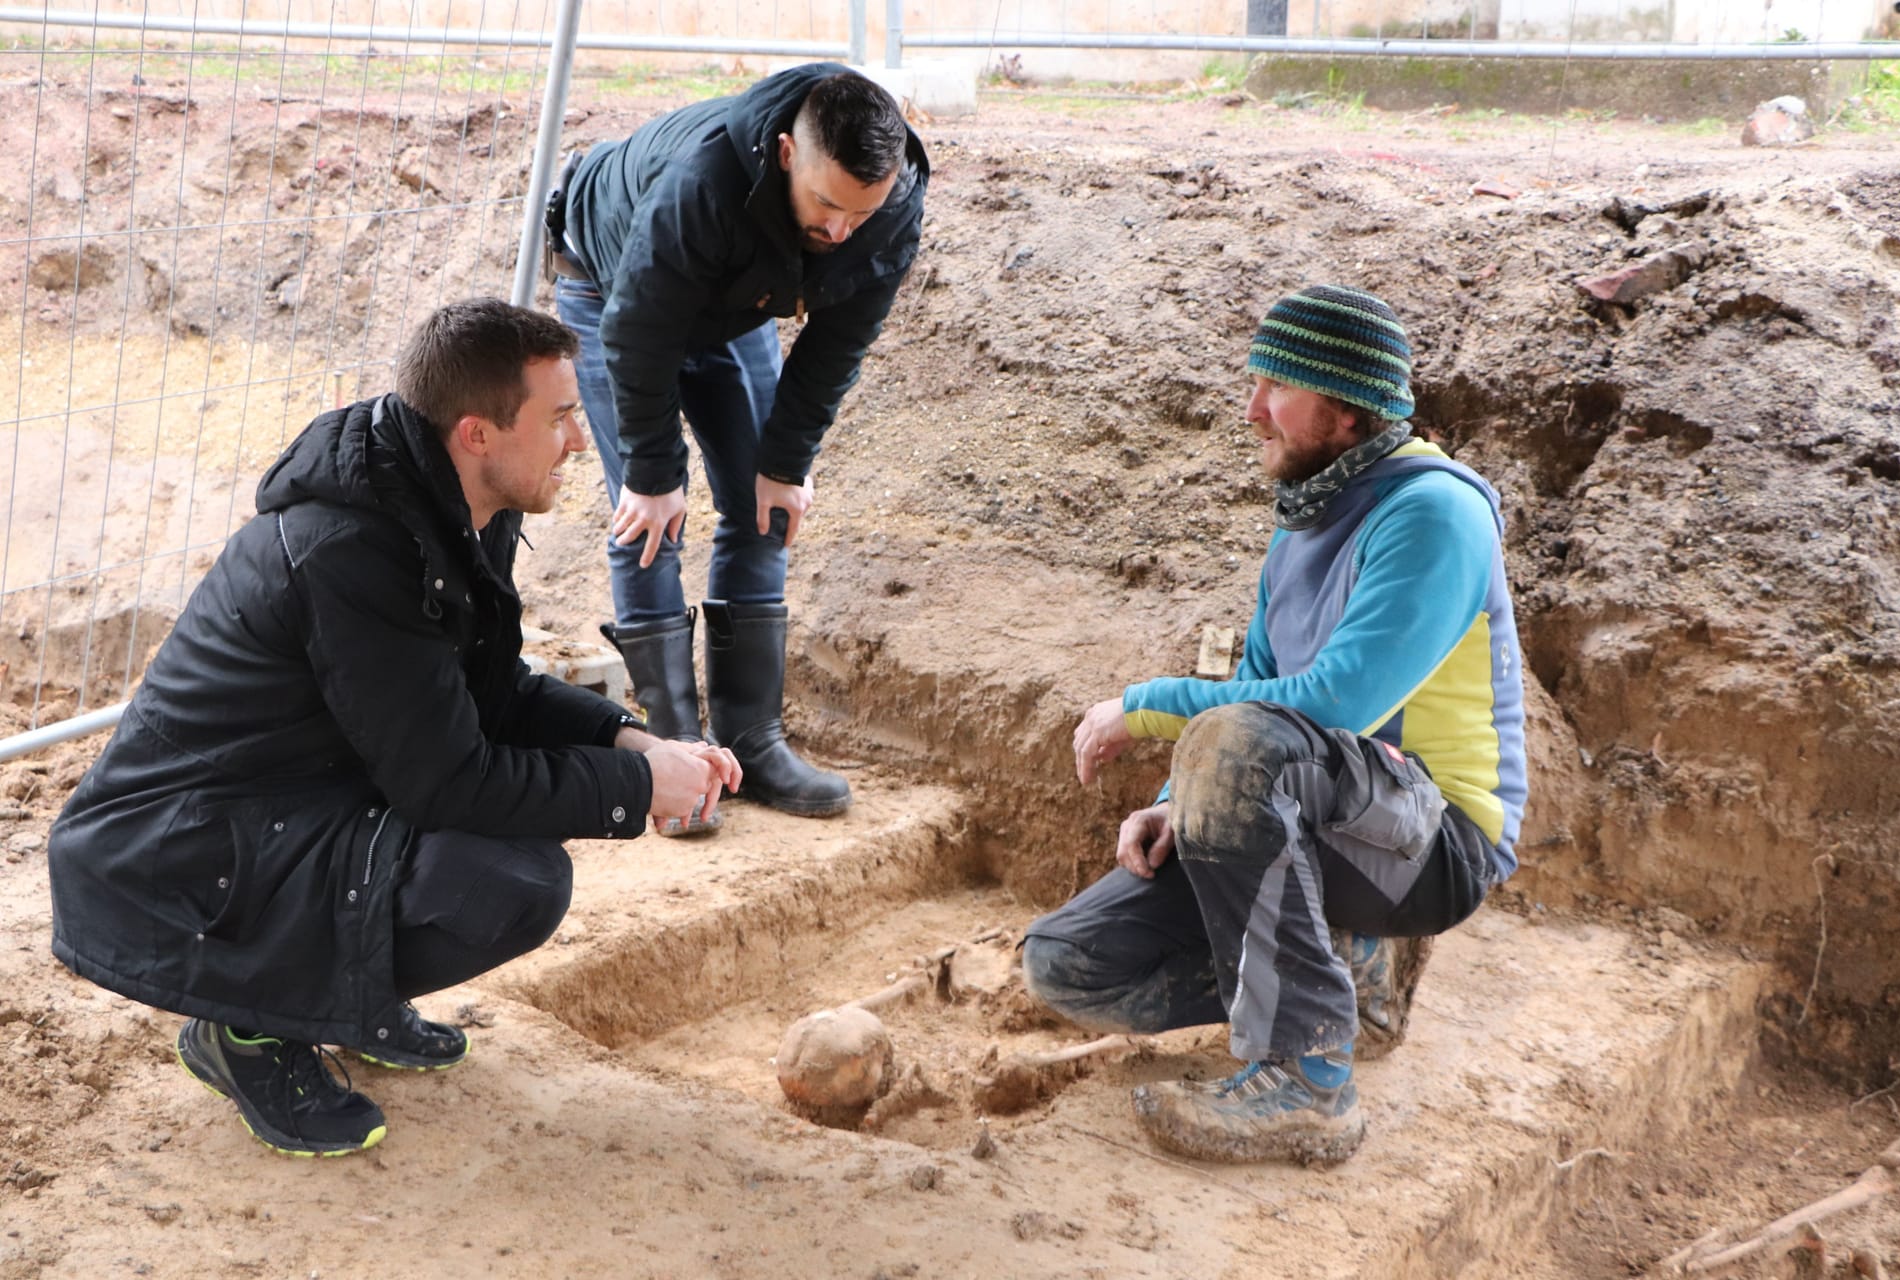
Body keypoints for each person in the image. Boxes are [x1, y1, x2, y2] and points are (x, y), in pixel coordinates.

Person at [45, 298, 740, 1158]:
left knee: (512, 864)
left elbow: (483, 692)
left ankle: (343, 994)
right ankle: (245, 1032)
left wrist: (626, 740)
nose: (578, 438)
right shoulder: (350, 547)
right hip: (181, 848)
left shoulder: (455, 503)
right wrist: (637, 792)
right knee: (510, 883)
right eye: (559, 416)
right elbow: (448, 781)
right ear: (478, 433)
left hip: (298, 799)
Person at [1020, 285, 1528, 1166]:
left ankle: (1309, 1078)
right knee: (1067, 963)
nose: (1252, 409)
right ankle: (1348, 978)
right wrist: (1184, 799)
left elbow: (1332, 704)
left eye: (1276, 387)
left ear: (1343, 409)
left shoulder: (1436, 513)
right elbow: (1260, 679)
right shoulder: (1306, 517)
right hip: (1317, 816)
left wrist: (1143, 709)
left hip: (1432, 841)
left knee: (1239, 740)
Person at [548, 62, 928, 827]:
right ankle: (677, 757)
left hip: (733, 299)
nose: (839, 231)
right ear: (787, 153)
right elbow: (637, 328)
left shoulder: (890, 207)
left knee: (764, 508)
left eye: (861, 211)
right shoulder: (703, 179)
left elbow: (838, 343)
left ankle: (751, 740)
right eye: (825, 204)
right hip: (611, 285)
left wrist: (785, 465)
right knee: (649, 516)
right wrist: (654, 473)